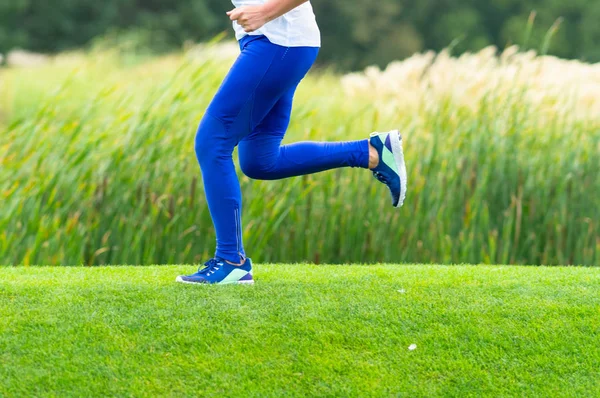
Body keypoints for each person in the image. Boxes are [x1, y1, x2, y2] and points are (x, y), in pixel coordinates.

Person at [176, 0, 407, 285]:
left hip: (277, 43)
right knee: (260, 161)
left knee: (212, 142)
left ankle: (231, 260)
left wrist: (263, 12)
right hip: (273, 44)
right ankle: (371, 153)